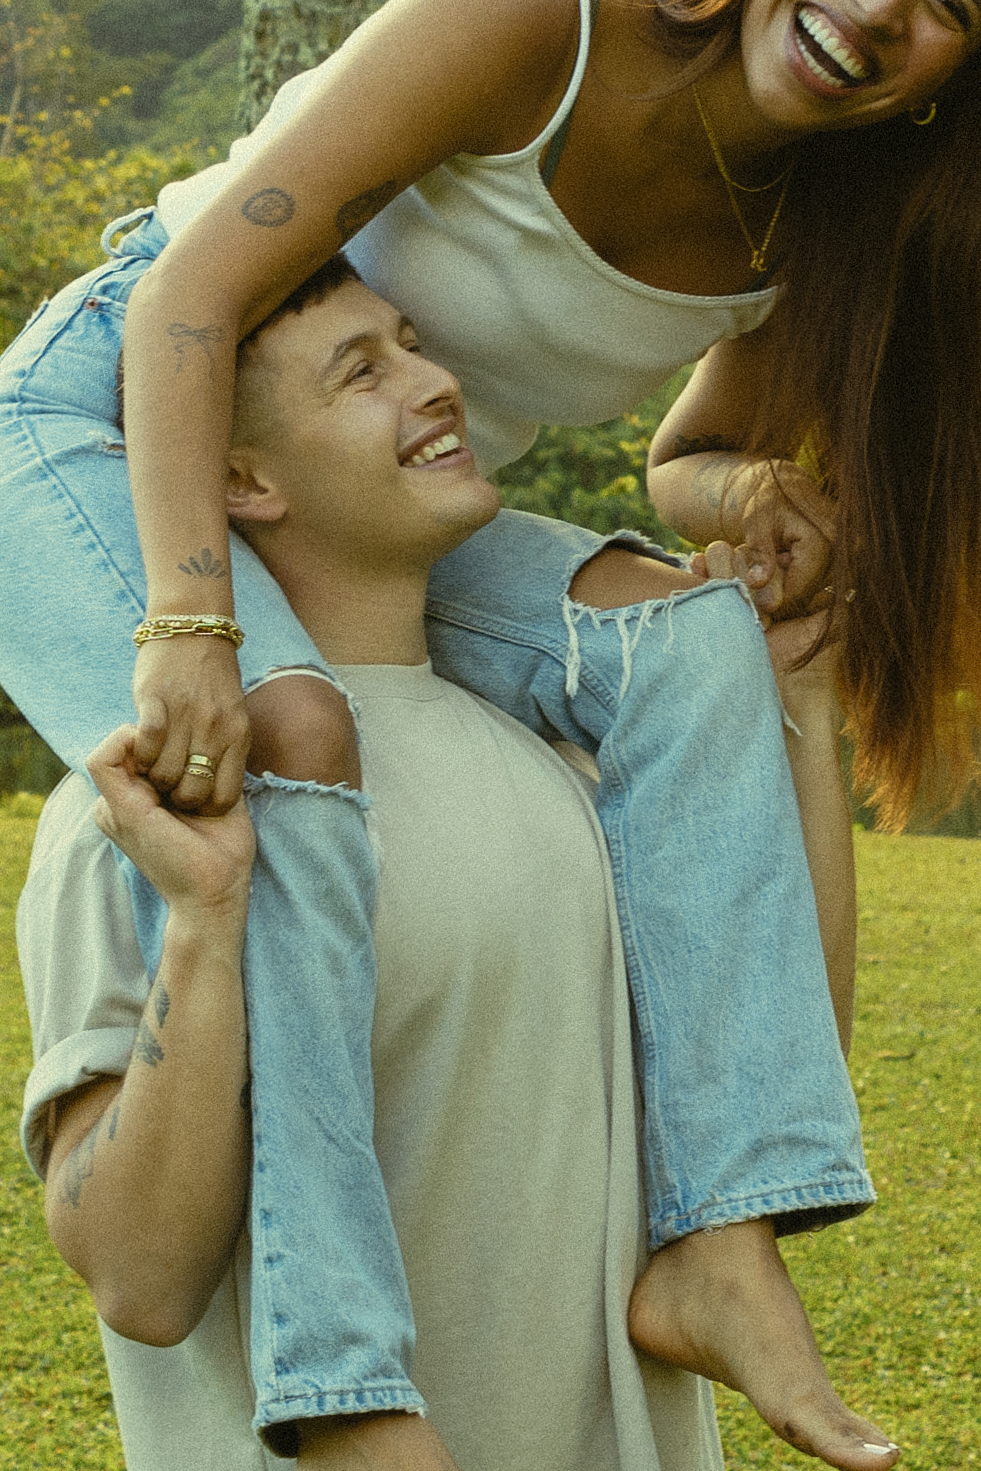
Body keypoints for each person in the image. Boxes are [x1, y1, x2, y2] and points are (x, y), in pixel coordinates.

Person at [5, 0, 973, 1453]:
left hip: (367, 470)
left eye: (953, 6)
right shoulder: (542, 26)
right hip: (100, 416)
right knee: (294, 735)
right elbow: (185, 305)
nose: (881, 8)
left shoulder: (812, 225)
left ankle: (723, 1238)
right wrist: (191, 618)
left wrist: (762, 506)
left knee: (692, 644)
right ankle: (340, 1389)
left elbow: (689, 463)